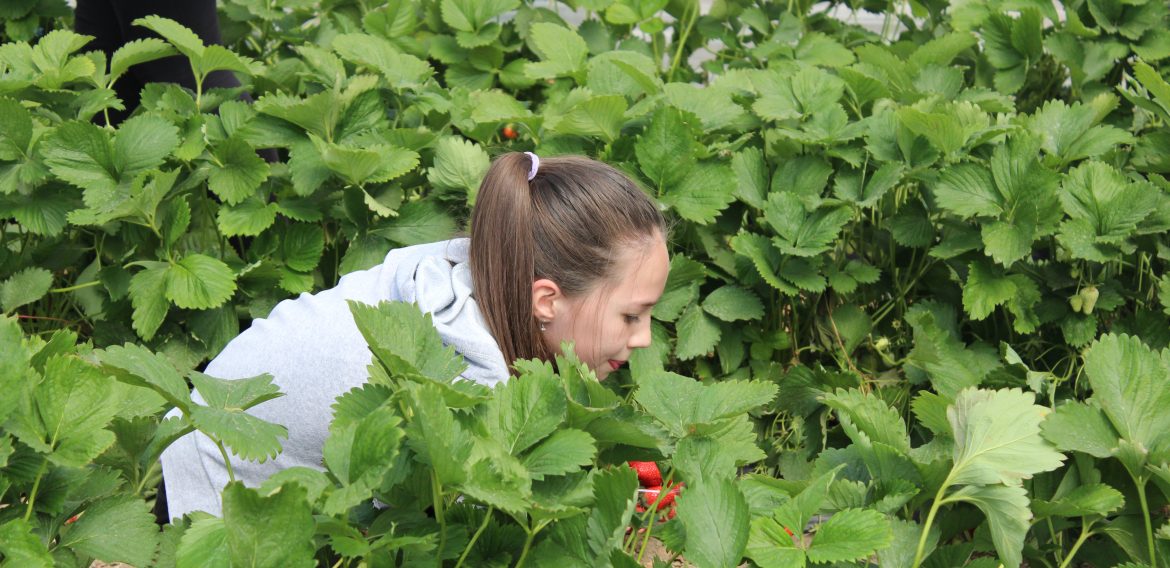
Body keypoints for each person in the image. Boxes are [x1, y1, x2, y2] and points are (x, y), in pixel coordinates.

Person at [159, 152, 671, 518]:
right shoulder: (465, 374)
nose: (644, 338)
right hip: (210, 494)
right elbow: (475, 519)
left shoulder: (471, 272)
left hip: (200, 425)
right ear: (546, 301)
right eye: (631, 316)